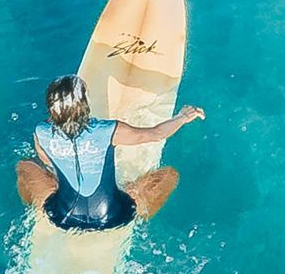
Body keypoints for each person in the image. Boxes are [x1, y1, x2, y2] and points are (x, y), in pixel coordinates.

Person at [16, 74, 204, 230]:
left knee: (25, 166)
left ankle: (37, 214)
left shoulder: (41, 132)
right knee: (169, 175)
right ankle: (141, 219)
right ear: (84, 105)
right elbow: (156, 134)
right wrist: (182, 117)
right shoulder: (108, 130)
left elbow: (46, 161)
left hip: (62, 216)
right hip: (112, 216)